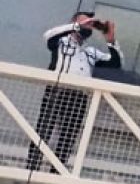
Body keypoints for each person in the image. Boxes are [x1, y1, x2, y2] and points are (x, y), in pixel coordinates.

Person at [26, 11, 122, 172]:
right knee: (44, 130)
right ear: (73, 23)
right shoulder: (61, 42)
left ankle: (57, 172)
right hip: (58, 91)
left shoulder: (89, 51)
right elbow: (48, 36)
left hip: (78, 97)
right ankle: (32, 167)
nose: (88, 26)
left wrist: (110, 40)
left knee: (68, 136)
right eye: (85, 22)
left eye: (90, 24)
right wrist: (77, 26)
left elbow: (115, 62)